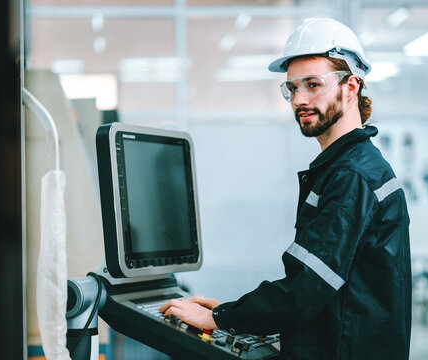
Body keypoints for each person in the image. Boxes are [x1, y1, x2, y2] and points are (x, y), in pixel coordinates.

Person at [160, 18, 411, 360]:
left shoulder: (351, 175)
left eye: (312, 84)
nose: (299, 100)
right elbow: (322, 292)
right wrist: (234, 313)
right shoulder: (349, 167)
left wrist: (219, 318)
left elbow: (305, 291)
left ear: (351, 86)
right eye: (292, 88)